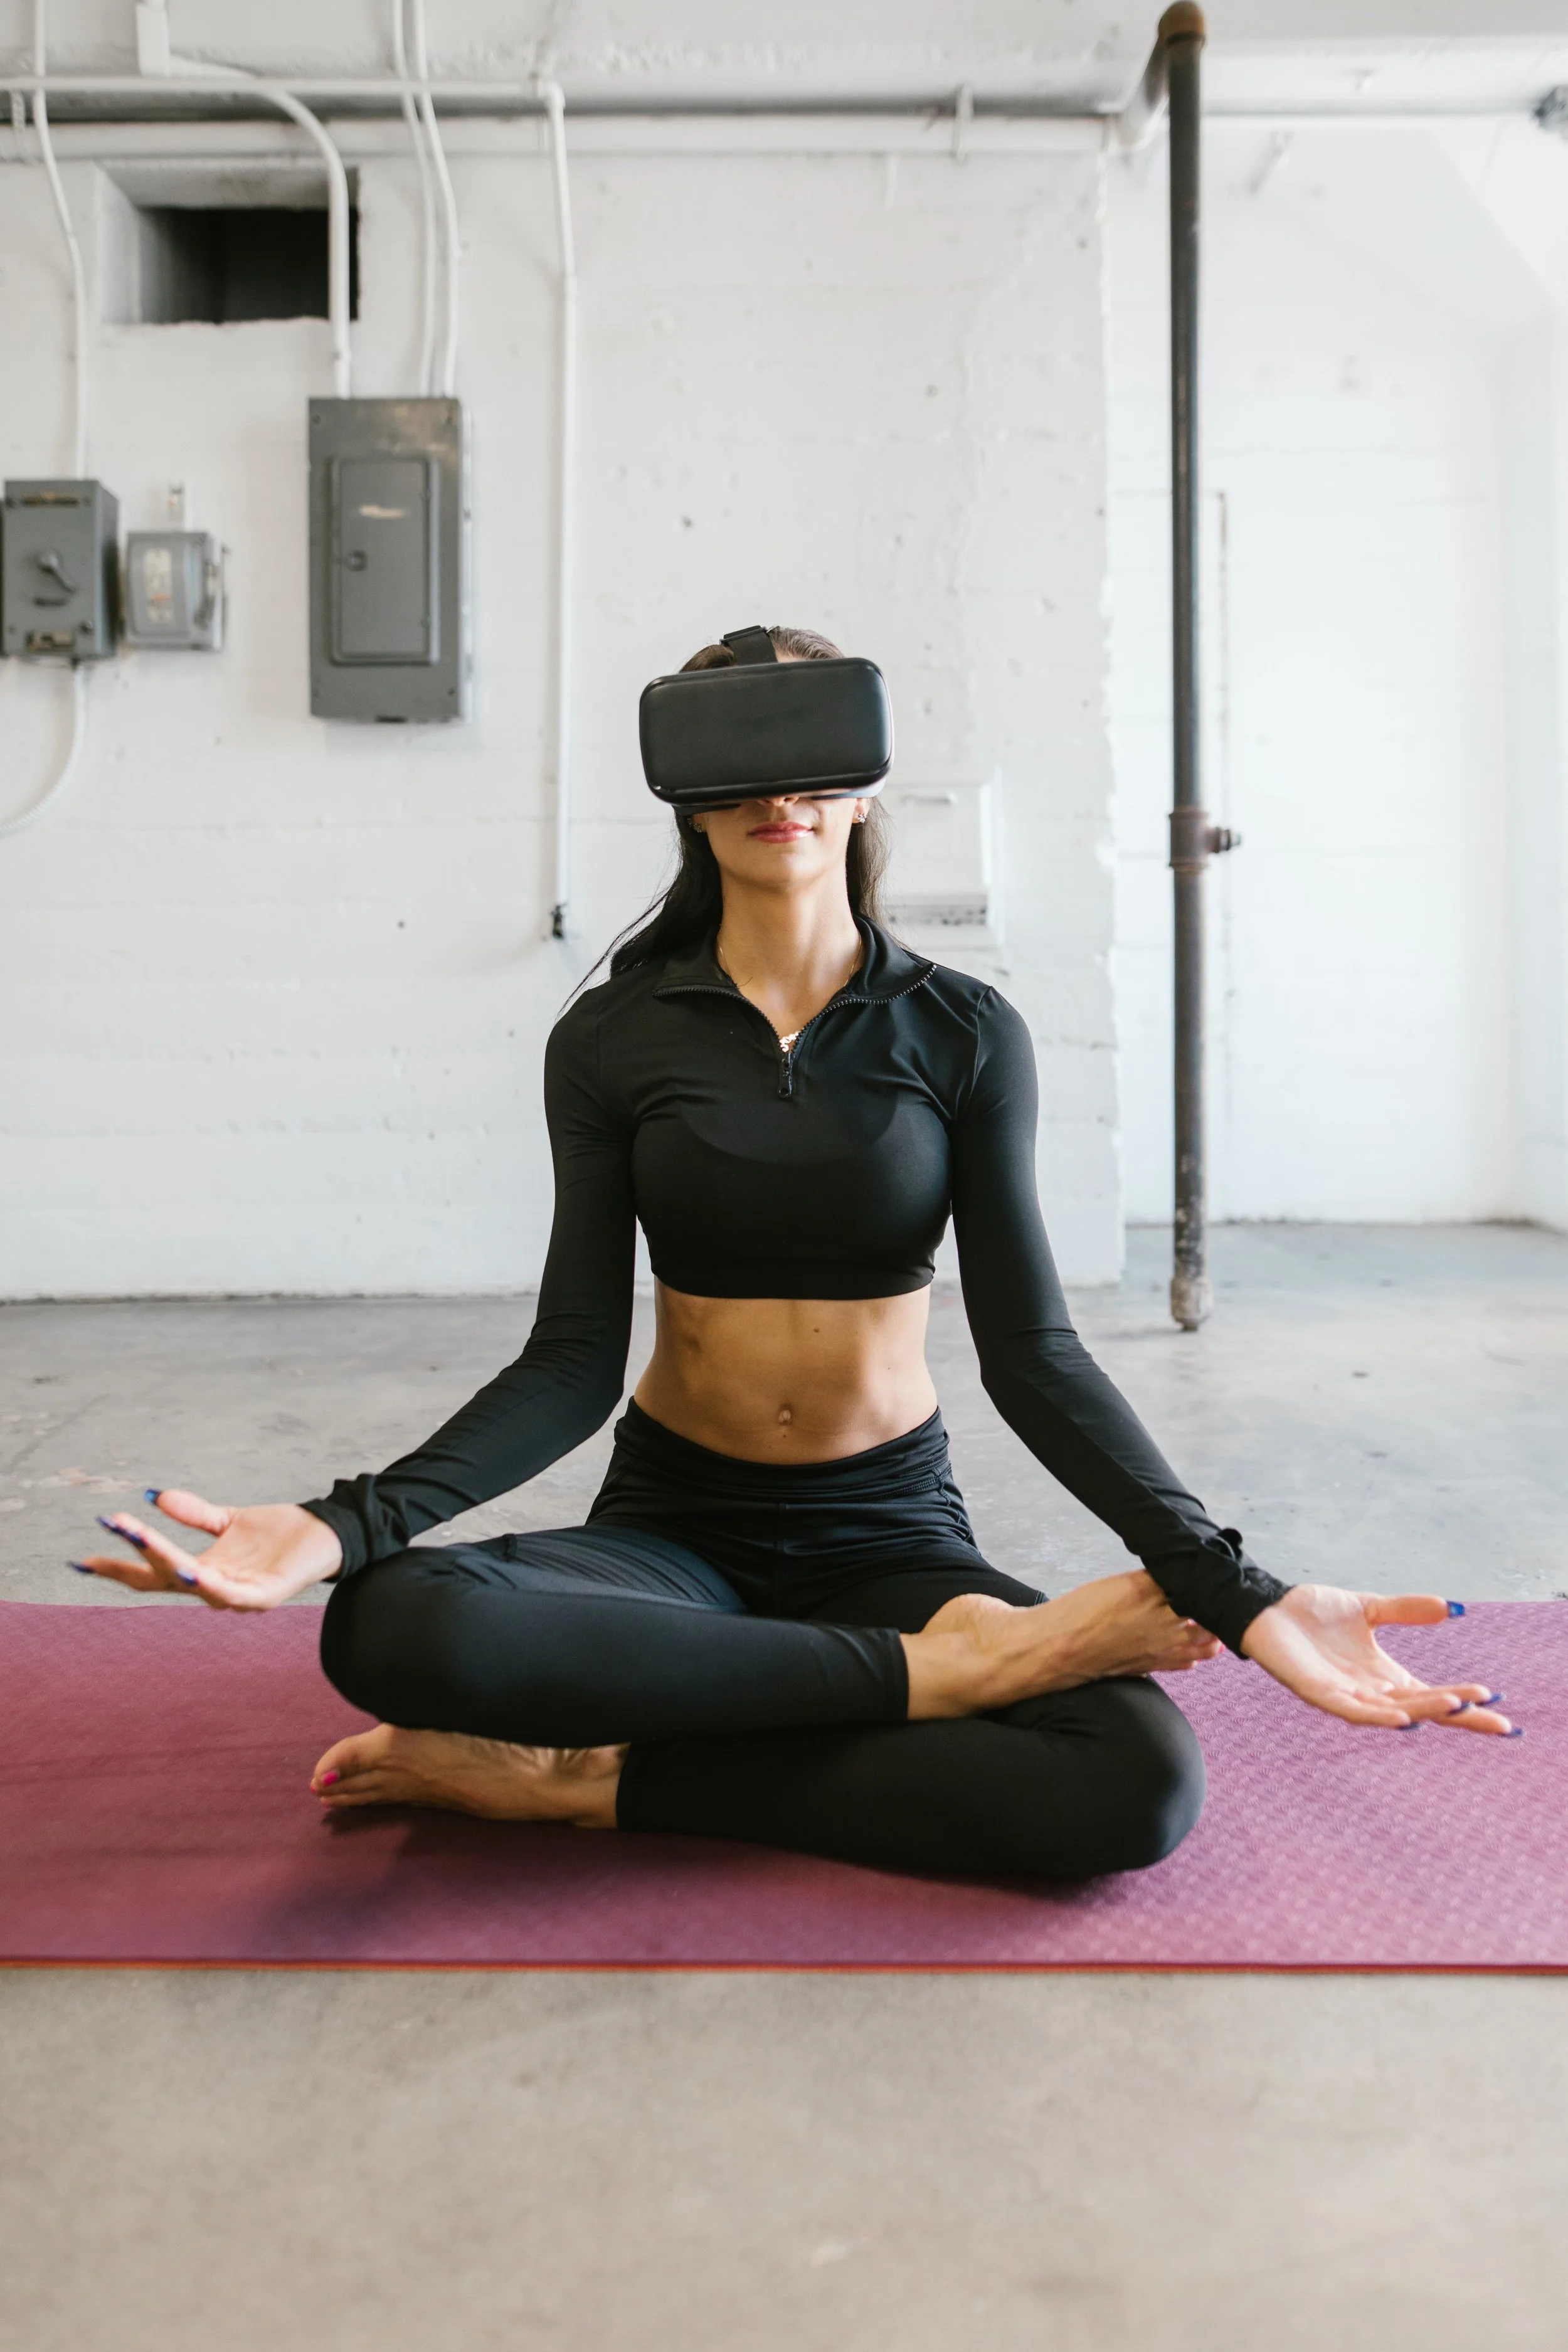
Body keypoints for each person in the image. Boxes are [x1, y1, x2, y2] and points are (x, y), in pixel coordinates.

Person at [77, 628, 1514, 1883]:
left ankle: (598, 1779)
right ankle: (937, 1680)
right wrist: (345, 1525)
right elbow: (573, 1364)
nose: (781, 793)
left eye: (815, 755)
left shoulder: (957, 1031)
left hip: (883, 1535)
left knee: (1132, 1781)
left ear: (864, 781)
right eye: (741, 764)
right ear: (686, 802)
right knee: (396, 1630)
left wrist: (1231, 1588)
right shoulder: (614, 1036)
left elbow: (1034, 1356)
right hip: (670, 1533)